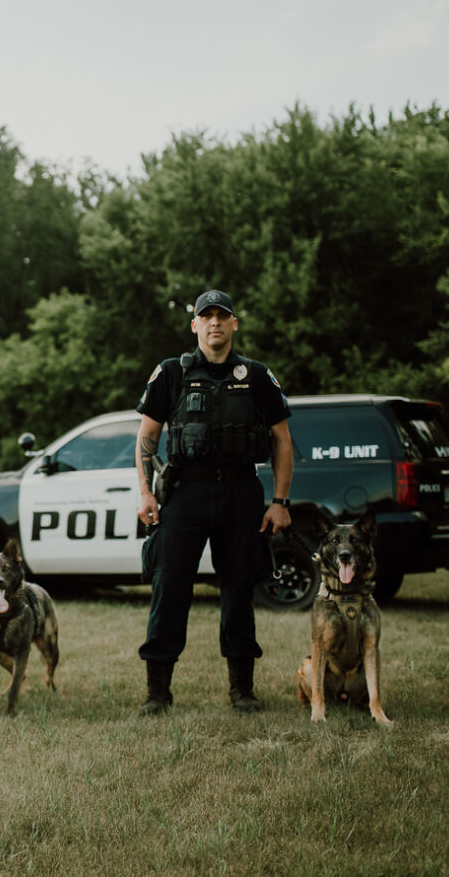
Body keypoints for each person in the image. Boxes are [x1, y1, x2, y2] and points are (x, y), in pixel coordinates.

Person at [133, 290, 293, 715]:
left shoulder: (257, 375)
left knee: (239, 588)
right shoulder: (171, 373)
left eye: (223, 316)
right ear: (195, 326)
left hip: (241, 493)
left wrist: (279, 500)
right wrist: (146, 492)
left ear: (235, 324)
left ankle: (242, 689)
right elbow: (147, 437)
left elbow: (281, 441)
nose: (215, 323)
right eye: (207, 316)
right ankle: (158, 692)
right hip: (185, 493)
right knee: (170, 588)